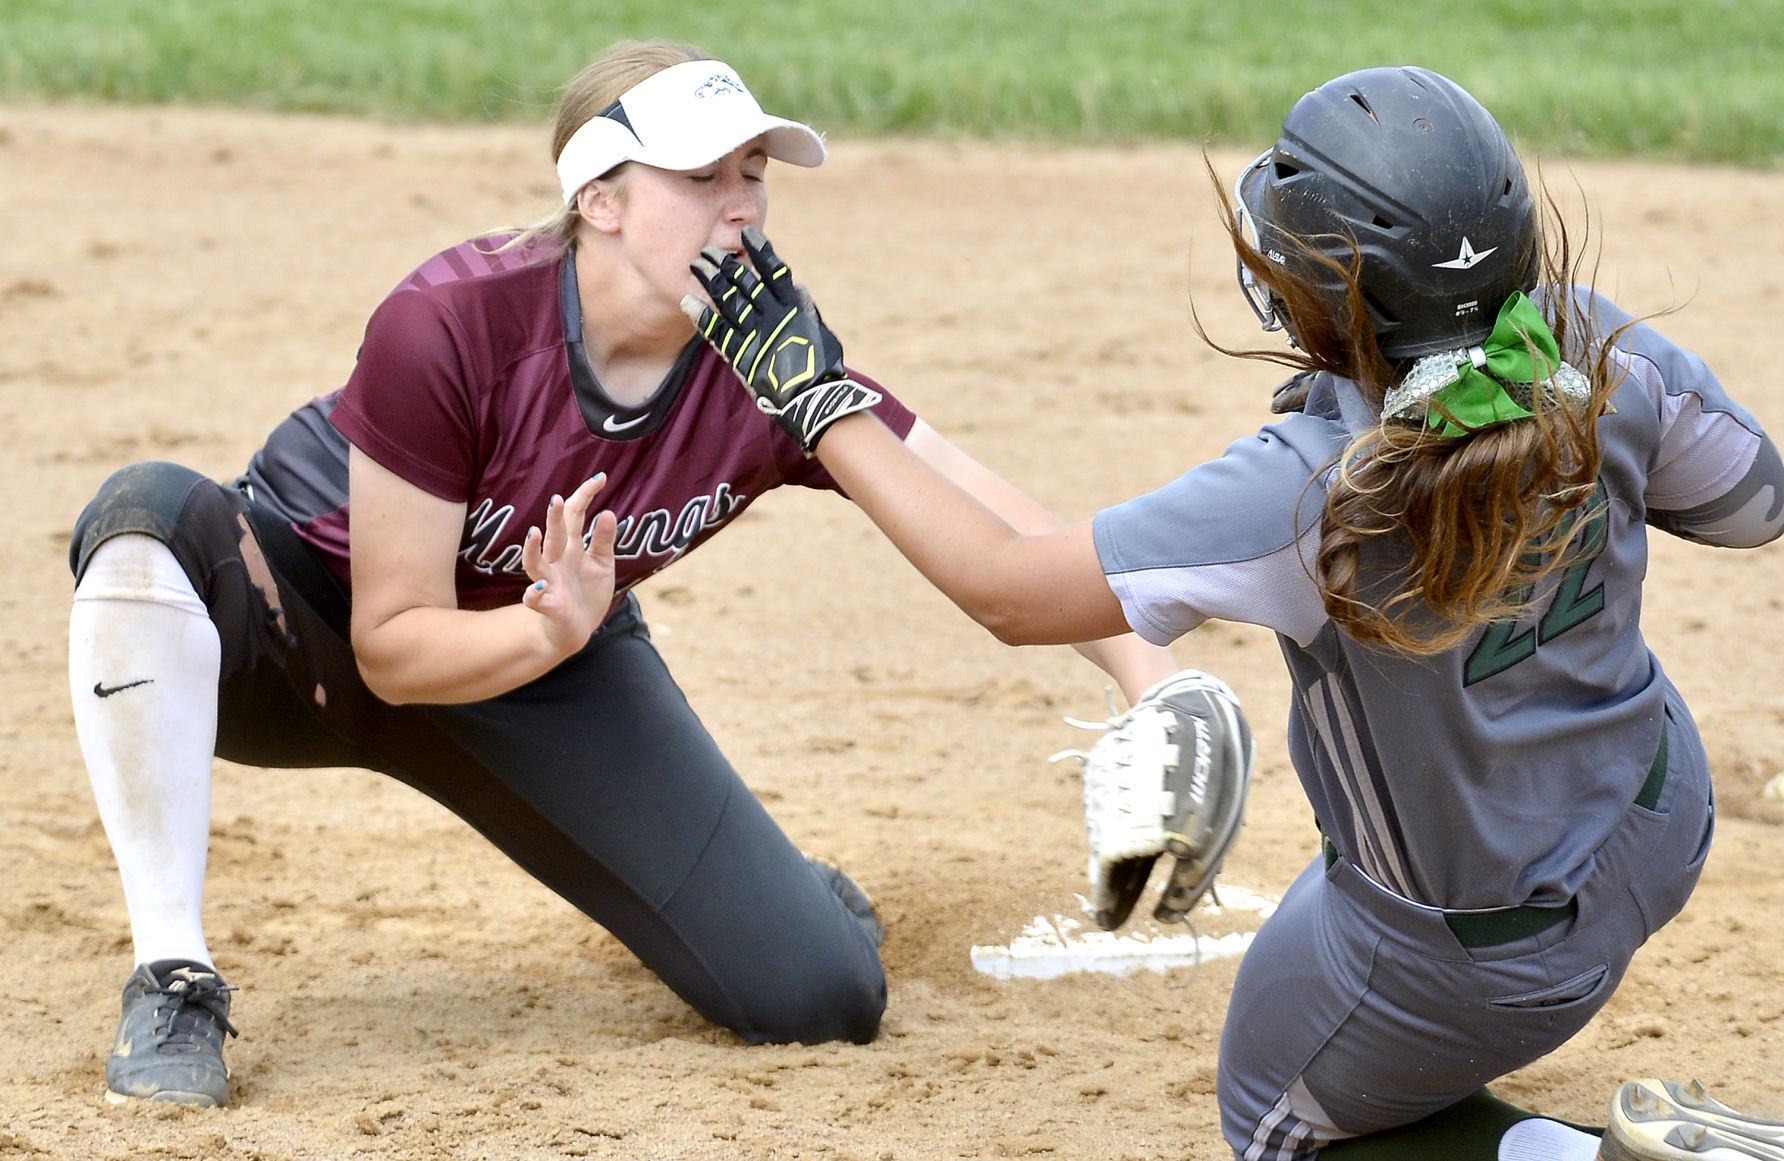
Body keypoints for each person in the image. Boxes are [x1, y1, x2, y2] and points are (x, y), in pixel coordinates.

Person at [684, 67, 1784, 1161]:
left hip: (1479, 954)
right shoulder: (1591, 347)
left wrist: (816, 399)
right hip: (1654, 816)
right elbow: (1750, 506)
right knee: (1345, 924)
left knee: (1272, 1118)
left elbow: (1007, 590)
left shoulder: (1306, 488)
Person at [65, 39, 1184, 1108]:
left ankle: (770, 894)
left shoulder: (769, 361)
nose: (740, 203)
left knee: (819, 994)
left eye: (752, 172)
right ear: (599, 199)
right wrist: (545, 633)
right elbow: (393, 647)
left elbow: (982, 511)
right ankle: (173, 982)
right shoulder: (448, 321)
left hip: (552, 657)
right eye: (699, 176)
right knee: (143, 515)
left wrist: (1152, 679)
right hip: (300, 627)